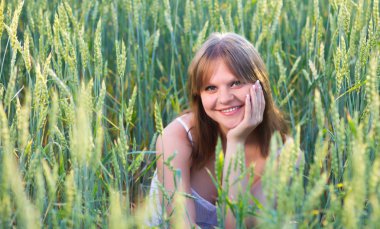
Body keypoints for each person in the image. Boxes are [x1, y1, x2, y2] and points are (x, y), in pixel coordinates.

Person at [148, 32, 289, 228]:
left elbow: (233, 225)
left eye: (235, 83)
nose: (224, 98)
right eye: (211, 88)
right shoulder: (176, 138)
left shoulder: (285, 155)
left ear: (260, 84)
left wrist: (235, 142)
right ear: (199, 95)